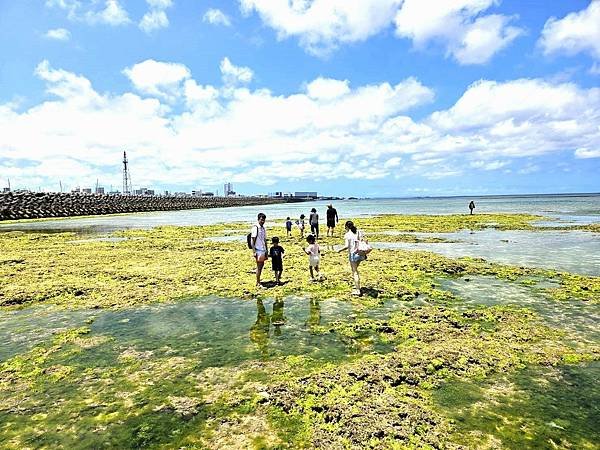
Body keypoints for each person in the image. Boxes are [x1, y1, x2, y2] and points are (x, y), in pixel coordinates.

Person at [337, 220, 365, 296]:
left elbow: (347, 246)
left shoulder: (347, 234)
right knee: (355, 270)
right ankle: (357, 285)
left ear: (346, 227)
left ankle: (358, 290)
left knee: (355, 272)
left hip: (353, 254)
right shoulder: (358, 231)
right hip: (361, 253)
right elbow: (362, 240)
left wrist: (339, 250)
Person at [250, 213, 268, 288]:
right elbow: (252, 240)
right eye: (261, 220)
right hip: (258, 250)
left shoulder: (263, 228)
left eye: (263, 220)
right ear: (258, 219)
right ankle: (258, 282)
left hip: (263, 249)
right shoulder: (255, 227)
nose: (262, 221)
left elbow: (264, 240)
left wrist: (267, 249)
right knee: (259, 266)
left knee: (261, 265)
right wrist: (254, 251)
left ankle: (258, 280)